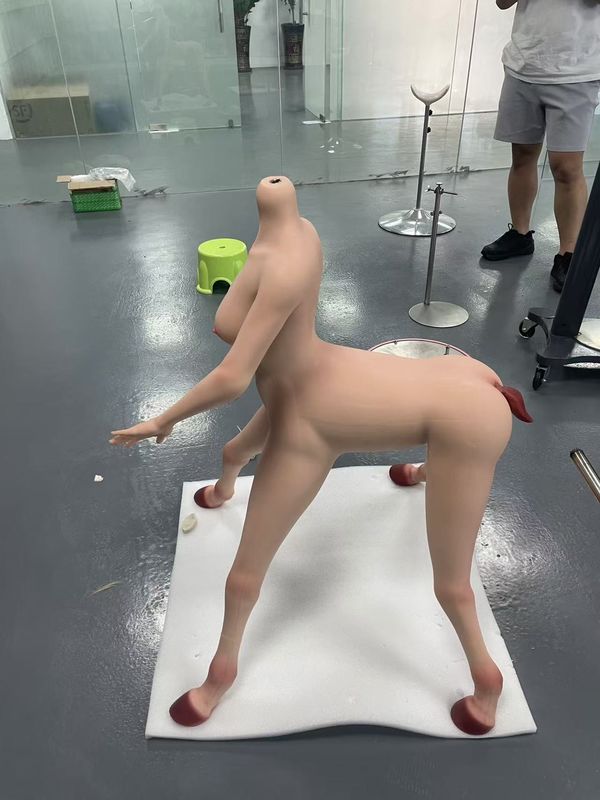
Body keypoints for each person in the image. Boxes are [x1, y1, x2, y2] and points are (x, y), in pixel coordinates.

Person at [111, 176, 532, 736]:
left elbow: (234, 377)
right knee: (239, 448)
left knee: (255, 573)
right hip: (326, 379)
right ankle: (413, 472)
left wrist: (163, 419)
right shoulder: (299, 231)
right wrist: (232, 461)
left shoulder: (282, 267)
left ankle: (485, 683)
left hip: (417, 418)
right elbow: (271, 391)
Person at [481, 0, 600, 292]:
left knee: (566, 168)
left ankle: (568, 253)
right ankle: (520, 234)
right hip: (523, 65)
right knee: (522, 156)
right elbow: (502, 2)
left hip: (576, 70)